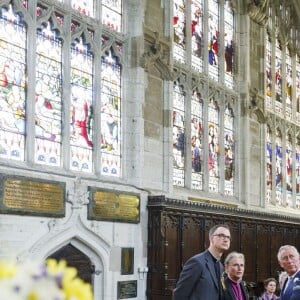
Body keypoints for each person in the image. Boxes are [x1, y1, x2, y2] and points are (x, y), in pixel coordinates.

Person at [173, 224, 231, 300]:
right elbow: (180, 294)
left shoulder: (221, 267)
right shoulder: (197, 262)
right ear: (211, 238)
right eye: (221, 235)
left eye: (228, 237)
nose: (226, 239)